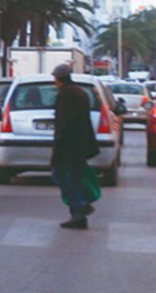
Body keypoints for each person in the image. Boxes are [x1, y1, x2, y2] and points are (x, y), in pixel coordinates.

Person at [50, 63, 95, 230]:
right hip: (81, 144)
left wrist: (58, 148)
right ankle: (78, 217)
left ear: (58, 79)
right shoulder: (80, 93)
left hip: (68, 145)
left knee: (58, 174)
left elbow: (64, 124)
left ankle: (81, 205)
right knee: (76, 179)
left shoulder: (65, 95)